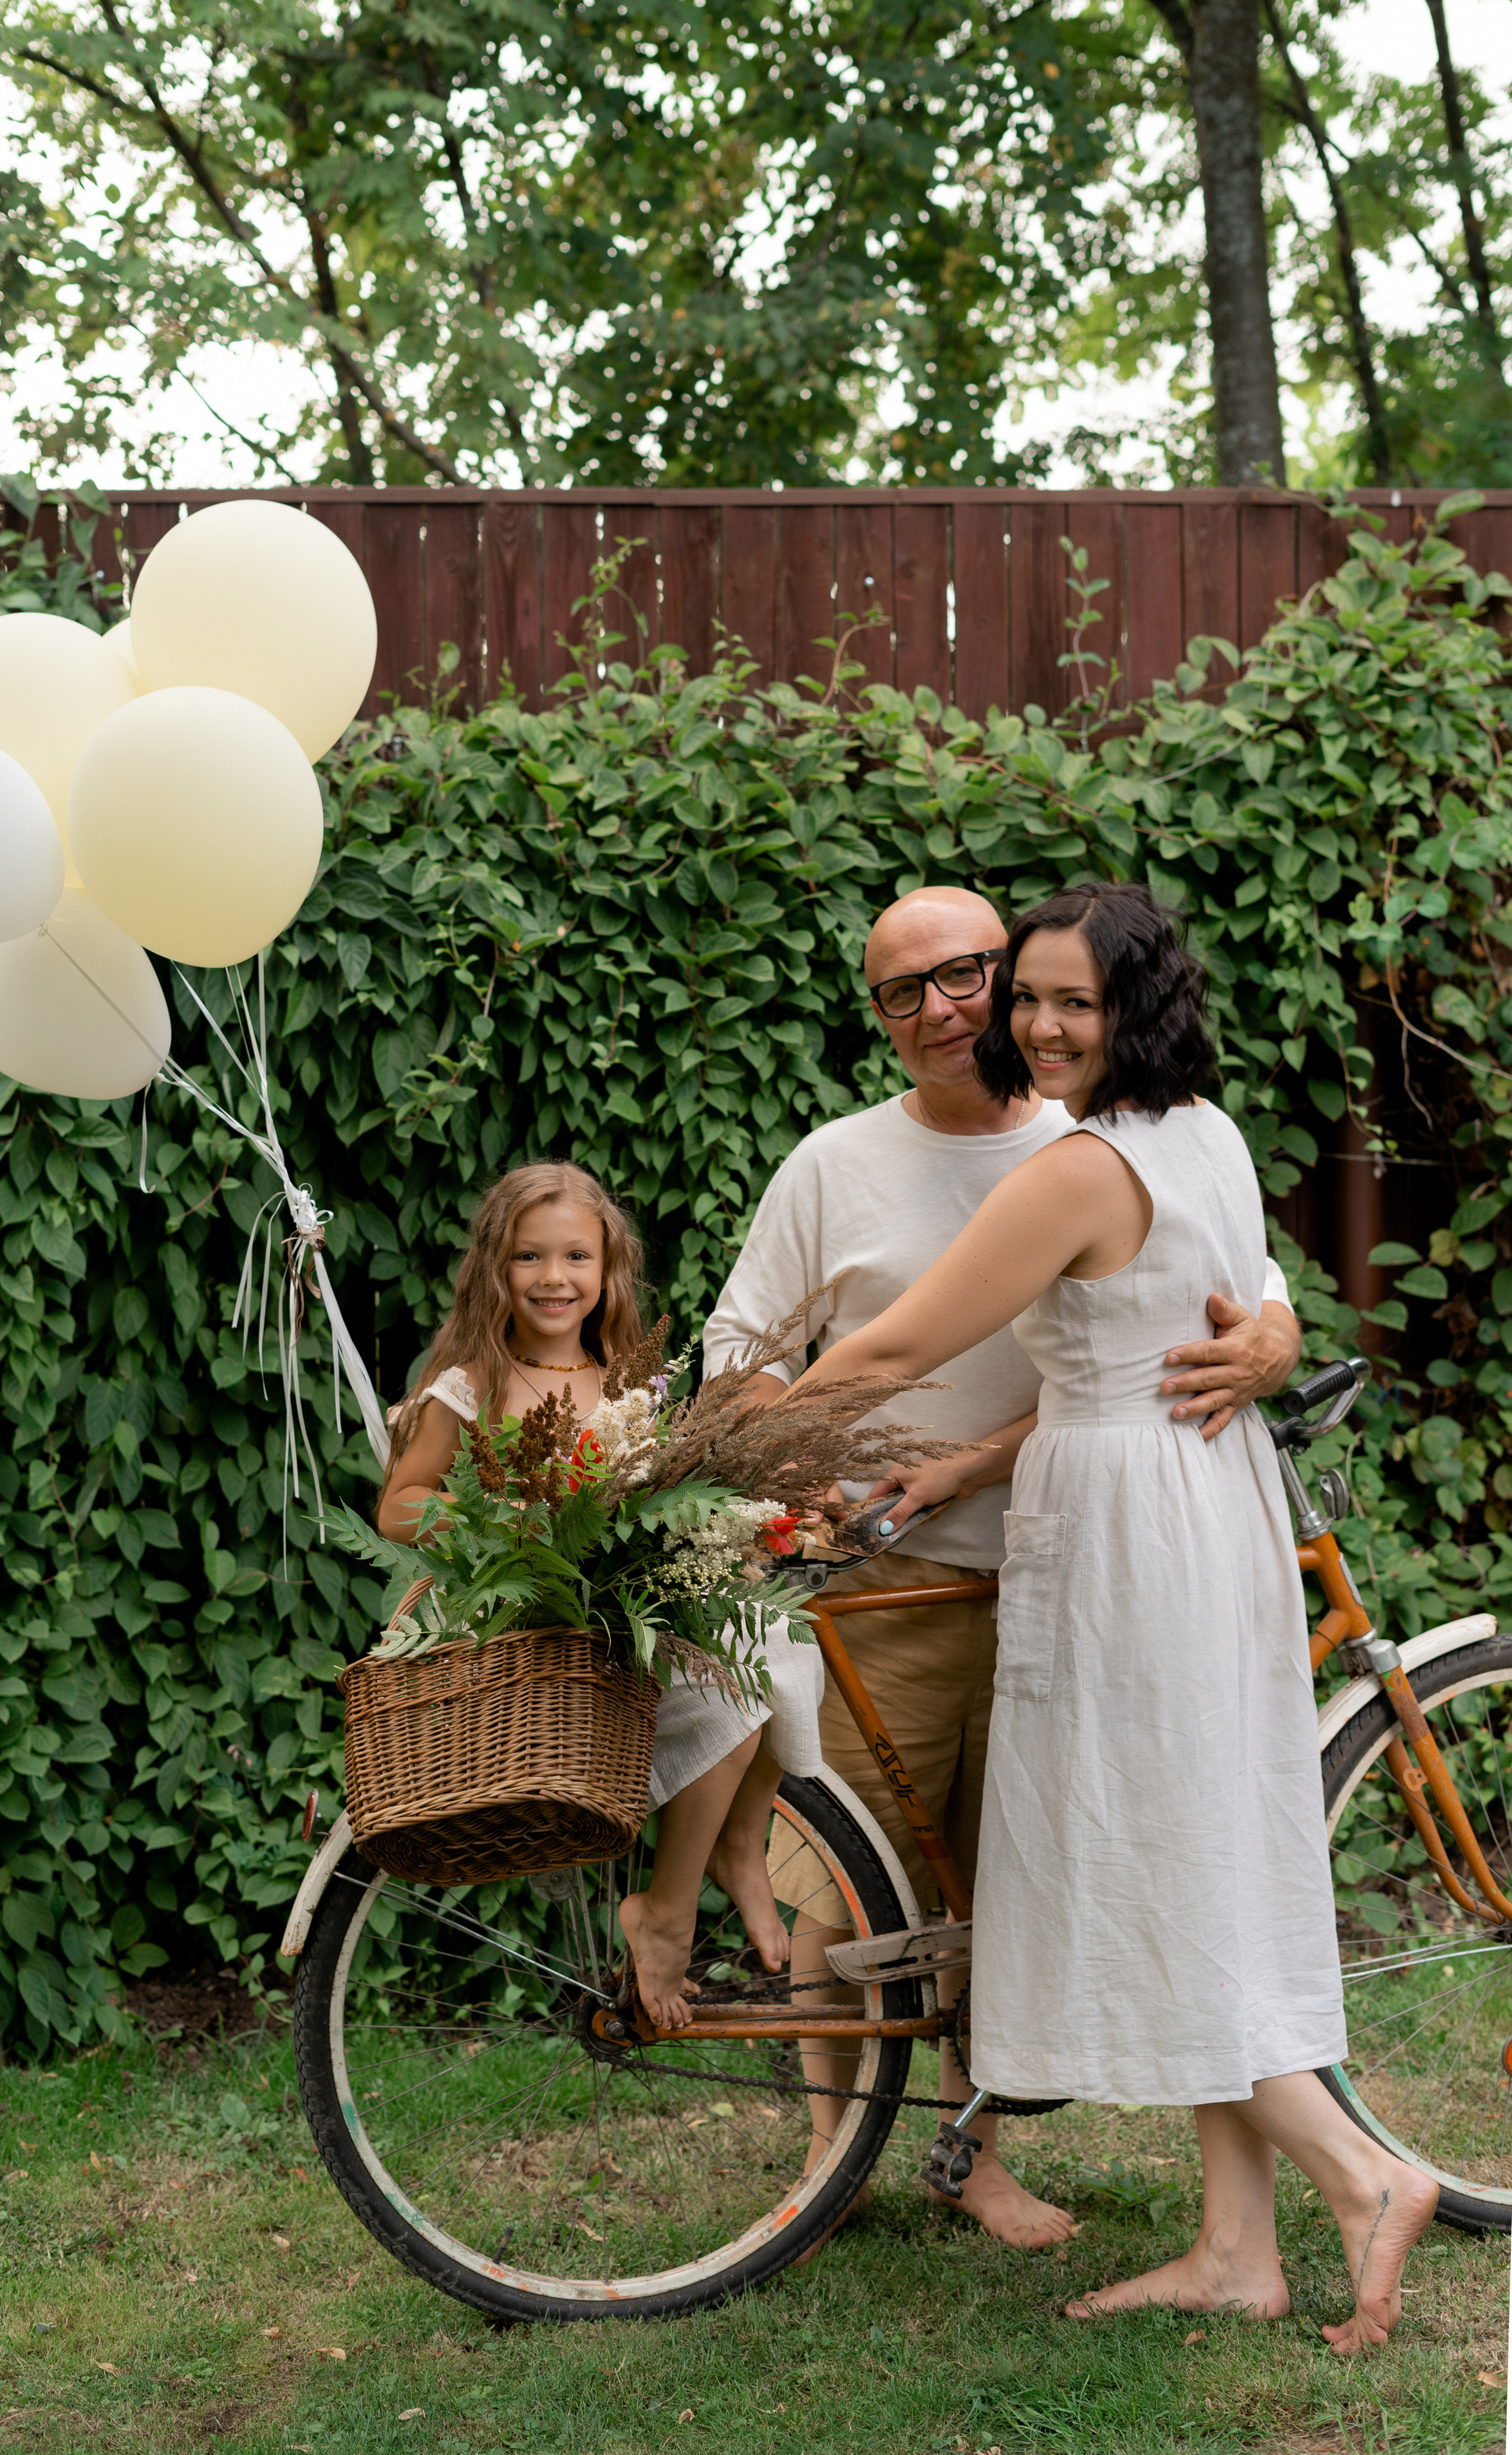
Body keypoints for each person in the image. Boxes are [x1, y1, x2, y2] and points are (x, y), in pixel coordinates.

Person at [779, 881, 1435, 2354]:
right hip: (1188, 1507)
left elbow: (894, 1339)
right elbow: (1242, 1291)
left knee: (1143, 1864)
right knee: (1193, 1853)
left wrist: (706, 1449)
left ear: (1135, 1005)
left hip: (1132, 1534)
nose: (1037, 1023)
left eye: (1072, 999)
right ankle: (1233, 2247)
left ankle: (1362, 2173)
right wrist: (1266, 1331)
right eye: (1025, 997)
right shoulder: (1199, 1129)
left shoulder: (1077, 1169)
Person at [704, 884, 1298, 2252]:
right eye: (899, 991)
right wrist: (770, 1474)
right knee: (840, 1901)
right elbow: (747, 1348)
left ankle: (964, 2155)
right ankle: (831, 2159)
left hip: (1061, 1574)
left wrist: (1267, 1344)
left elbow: (1227, 1292)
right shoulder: (831, 1165)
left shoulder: (1102, 1128)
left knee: (995, 1895)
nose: (949, 1010)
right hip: (885, 1587)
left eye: (969, 975)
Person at [378, 1161, 823, 2033]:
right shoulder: (473, 1381)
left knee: (778, 1647)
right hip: (530, 1623)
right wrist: (494, 1514)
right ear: (494, 1270)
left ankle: (740, 1842)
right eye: (528, 1257)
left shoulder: (624, 1383)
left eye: (575, 1256)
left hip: (617, 1613)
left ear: (607, 1267)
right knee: (736, 1692)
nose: (553, 1278)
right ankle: (668, 1904)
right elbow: (397, 1504)